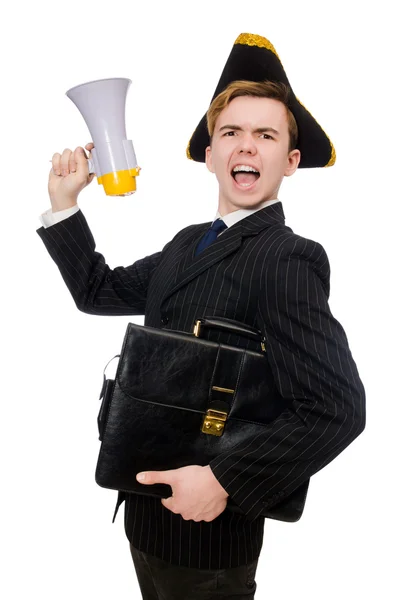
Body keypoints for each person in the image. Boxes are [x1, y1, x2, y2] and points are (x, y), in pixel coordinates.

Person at [37, 33, 366, 600]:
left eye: (266, 135)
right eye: (231, 133)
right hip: (145, 517)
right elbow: (98, 289)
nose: (246, 146)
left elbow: (337, 409)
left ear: (290, 162)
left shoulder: (287, 257)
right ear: (209, 154)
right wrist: (65, 204)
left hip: (210, 539)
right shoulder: (185, 242)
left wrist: (224, 481)